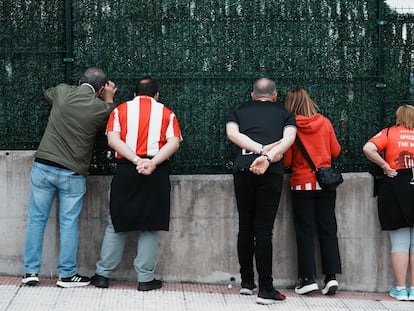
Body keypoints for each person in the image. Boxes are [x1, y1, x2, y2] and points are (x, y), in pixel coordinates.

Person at [22, 68, 117, 288]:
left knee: (36, 220)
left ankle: (30, 272)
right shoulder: (100, 108)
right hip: (72, 173)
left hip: (43, 167)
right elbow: (113, 119)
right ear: (101, 89)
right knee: (68, 223)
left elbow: (48, 93)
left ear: (79, 81)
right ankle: (66, 275)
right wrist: (109, 99)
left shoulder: (63, 92)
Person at [90, 76, 182, 291]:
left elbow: (113, 140)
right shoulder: (167, 113)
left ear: (134, 94)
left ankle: (103, 275)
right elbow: (174, 142)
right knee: (150, 226)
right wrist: (151, 163)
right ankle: (145, 279)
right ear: (156, 95)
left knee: (116, 223)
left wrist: (135, 161)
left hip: (126, 170)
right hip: (156, 171)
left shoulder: (119, 110)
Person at [226, 78, 297, 304]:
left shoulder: (238, 110)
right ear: (275, 96)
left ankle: (247, 282)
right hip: (271, 170)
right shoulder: (285, 113)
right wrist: (266, 155)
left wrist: (256, 150)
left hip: (243, 168)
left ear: (252, 95)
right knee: (264, 229)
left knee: (245, 225)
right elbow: (290, 139)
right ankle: (266, 289)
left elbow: (233, 135)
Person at [283, 87, 342, 296]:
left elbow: (288, 160)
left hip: (301, 184)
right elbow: (336, 151)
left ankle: (308, 278)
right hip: (325, 184)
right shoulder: (324, 122)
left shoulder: (291, 127)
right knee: (328, 230)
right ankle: (331, 277)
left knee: (305, 231)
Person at [363, 104, 414, 301]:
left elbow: (368, 148)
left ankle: (401, 289)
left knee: (400, 243)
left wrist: (384, 166)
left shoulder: (389, 132)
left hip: (395, 186)